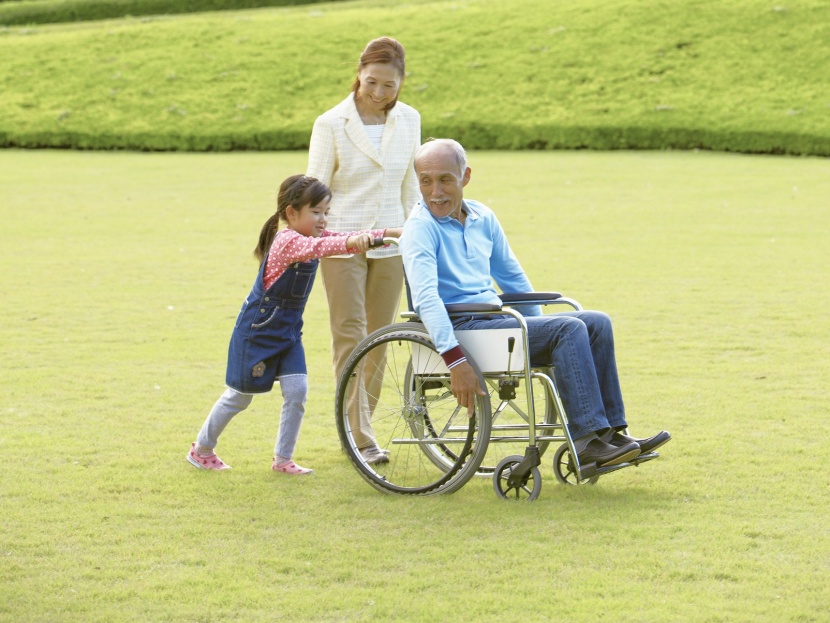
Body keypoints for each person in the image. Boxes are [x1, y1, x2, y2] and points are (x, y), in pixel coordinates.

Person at [400, 139, 670, 477]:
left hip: (495, 322)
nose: (435, 191)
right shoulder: (419, 229)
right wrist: (455, 360)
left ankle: (611, 434)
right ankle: (586, 444)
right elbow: (426, 299)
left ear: (465, 176)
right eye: (425, 181)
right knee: (568, 330)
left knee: (596, 322)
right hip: (461, 329)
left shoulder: (483, 216)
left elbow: (513, 279)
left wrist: (537, 336)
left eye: (445, 179)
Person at [187, 174, 402, 474]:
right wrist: (355, 242)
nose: (323, 219)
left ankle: (283, 459)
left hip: (288, 333)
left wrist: (392, 232)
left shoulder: (313, 237)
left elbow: (341, 237)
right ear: (291, 213)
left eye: (326, 212)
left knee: (297, 391)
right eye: (316, 212)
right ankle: (201, 449)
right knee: (240, 396)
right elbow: (323, 249)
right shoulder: (288, 241)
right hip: (258, 332)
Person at [307, 36, 420, 465]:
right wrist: (310, 242)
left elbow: (412, 186)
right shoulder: (331, 123)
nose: (378, 93)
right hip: (341, 243)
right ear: (358, 73)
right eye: (371, 82)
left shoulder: (410, 120)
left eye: (388, 85)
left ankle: (360, 426)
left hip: (391, 242)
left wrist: (415, 236)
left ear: (401, 82)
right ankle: (360, 434)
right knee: (350, 336)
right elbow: (315, 188)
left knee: (380, 337)